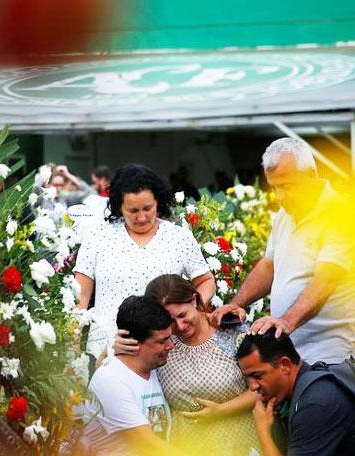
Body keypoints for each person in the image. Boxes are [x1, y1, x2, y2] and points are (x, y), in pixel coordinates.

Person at [212, 137, 355, 369]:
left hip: (340, 358)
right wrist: (236, 303)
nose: (279, 197)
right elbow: (269, 265)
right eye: (274, 187)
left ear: (310, 175)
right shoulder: (285, 214)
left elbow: (327, 278)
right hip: (301, 353)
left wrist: (285, 321)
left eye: (286, 186)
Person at [74, 164, 215, 363]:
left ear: (158, 201)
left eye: (148, 208)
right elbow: (80, 296)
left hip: (165, 352)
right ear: (118, 207)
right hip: (105, 350)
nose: (142, 217)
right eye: (132, 210)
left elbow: (206, 280)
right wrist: (72, 345)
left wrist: (185, 313)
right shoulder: (98, 236)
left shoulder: (179, 237)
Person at [116, 274, 259, 455]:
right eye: (170, 321)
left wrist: (221, 410)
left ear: (193, 300)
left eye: (182, 315)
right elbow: (116, 373)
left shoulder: (229, 330)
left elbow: (263, 386)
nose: (180, 326)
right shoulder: (160, 343)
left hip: (239, 441)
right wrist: (115, 348)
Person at [237, 329, 355, 456]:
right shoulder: (310, 383)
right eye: (247, 378)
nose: (252, 386)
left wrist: (263, 430)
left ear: (285, 365)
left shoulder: (315, 404)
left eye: (257, 376)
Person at [83, 295, 182, 455]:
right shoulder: (111, 381)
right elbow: (150, 445)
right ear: (133, 342)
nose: (170, 346)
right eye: (162, 341)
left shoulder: (152, 367)